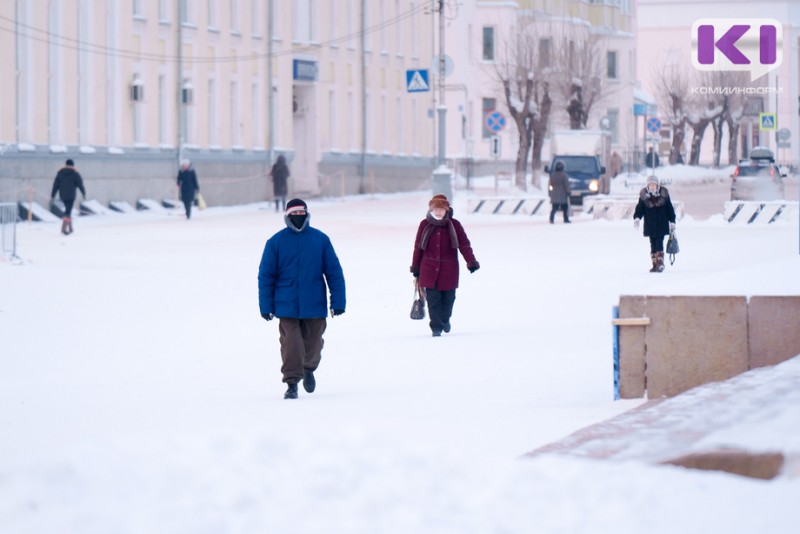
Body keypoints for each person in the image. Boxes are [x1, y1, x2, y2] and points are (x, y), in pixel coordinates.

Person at [258, 198, 346, 399]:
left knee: (314, 344)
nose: (298, 217)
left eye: (301, 213)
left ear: (307, 215)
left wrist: (338, 302)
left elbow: (334, 272)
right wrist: (266, 306)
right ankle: (291, 383)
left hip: (314, 303)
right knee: (292, 345)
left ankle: (309, 368)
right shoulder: (275, 242)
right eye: (294, 214)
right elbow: (266, 276)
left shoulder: (320, 240)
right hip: (286, 304)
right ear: (287, 217)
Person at [410, 194, 480, 337]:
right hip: (428, 269)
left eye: (441, 209)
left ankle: (445, 319)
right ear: (431, 209)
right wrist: (416, 267)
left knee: (449, 299)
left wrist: (471, 261)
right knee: (433, 300)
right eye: (435, 209)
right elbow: (418, 247)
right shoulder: (425, 224)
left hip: (449, 270)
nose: (438, 212)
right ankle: (436, 327)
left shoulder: (454, 225)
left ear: (447, 210)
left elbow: (464, 244)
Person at [633, 175, 676, 273]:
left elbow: (670, 209)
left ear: (657, 185)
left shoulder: (664, 196)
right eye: (650, 185)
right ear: (648, 186)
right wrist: (637, 218)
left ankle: (660, 263)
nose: (652, 186)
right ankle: (654, 264)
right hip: (650, 225)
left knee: (659, 242)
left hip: (661, 224)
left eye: (654, 184)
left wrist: (672, 221)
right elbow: (640, 209)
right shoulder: (644, 197)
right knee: (652, 243)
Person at [50, 158, 86, 235]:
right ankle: (64, 229)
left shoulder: (60, 173)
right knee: (68, 211)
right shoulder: (75, 173)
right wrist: (83, 193)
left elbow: (55, 185)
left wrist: (52, 195)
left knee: (68, 210)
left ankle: (70, 228)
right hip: (71, 195)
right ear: (73, 165)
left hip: (62, 195)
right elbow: (80, 184)